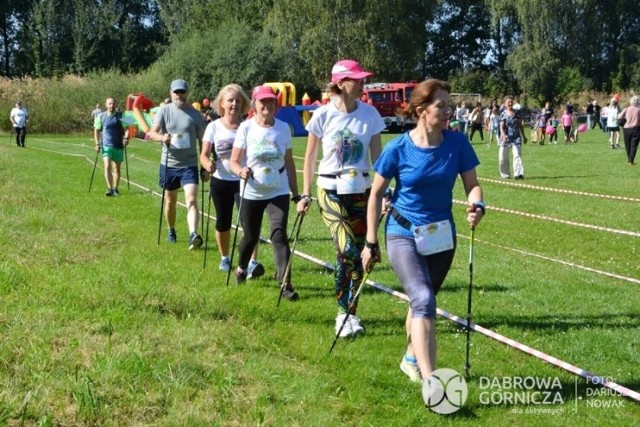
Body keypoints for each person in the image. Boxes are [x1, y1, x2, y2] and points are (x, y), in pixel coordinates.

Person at [361, 78, 484, 385]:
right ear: (421, 110)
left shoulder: (458, 144)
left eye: (449, 105)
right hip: (402, 232)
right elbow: (376, 194)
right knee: (424, 298)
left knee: (421, 302)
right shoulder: (398, 148)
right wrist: (370, 242)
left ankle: (410, 358)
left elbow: (473, 185)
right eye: (441, 105)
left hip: (441, 235)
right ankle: (433, 383)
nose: (448, 111)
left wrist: (477, 205)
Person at [296, 59, 385, 337]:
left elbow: (378, 159)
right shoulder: (322, 115)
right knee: (347, 251)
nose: (362, 84)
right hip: (329, 189)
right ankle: (342, 314)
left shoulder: (370, 114)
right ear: (341, 83)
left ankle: (349, 315)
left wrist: (382, 194)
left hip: (361, 190)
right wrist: (306, 192)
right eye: (357, 79)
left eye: (363, 79)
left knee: (357, 255)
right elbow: (310, 156)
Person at [229, 85, 300, 300]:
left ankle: (285, 283)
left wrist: (296, 195)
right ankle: (241, 268)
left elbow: (289, 162)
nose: (267, 105)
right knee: (250, 237)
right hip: (252, 189)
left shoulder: (283, 128)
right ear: (254, 104)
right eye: (263, 102)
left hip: (278, 189)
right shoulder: (246, 128)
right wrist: (240, 170)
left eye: (271, 102)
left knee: (279, 234)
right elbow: (233, 161)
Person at [200, 84, 264, 276]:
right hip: (220, 180)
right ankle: (225, 258)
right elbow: (203, 154)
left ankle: (251, 262)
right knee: (223, 222)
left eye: (238, 100)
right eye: (230, 100)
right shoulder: (213, 127)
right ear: (222, 103)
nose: (234, 104)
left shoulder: (248, 126)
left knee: (249, 223)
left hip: (244, 180)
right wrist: (207, 165)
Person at [149, 79, 206, 249]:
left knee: (191, 199)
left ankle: (193, 234)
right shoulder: (164, 111)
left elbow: (203, 140)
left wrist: (204, 163)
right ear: (171, 93)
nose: (179, 95)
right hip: (169, 164)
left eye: (182, 92)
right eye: (176, 92)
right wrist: (162, 137)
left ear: (187, 93)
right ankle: (171, 229)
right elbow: (152, 132)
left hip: (189, 164)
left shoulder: (196, 114)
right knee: (170, 201)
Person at [94, 97, 129, 196]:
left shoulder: (122, 115)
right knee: (107, 166)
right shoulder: (100, 116)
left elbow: (127, 128)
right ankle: (109, 189)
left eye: (113, 103)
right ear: (106, 105)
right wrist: (97, 143)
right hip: (106, 145)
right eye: (109, 104)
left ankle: (115, 188)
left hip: (118, 145)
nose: (111, 105)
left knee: (116, 168)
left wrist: (126, 138)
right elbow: (96, 130)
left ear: (116, 104)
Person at [499, 95, 527, 179]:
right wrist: (503, 135)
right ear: (504, 104)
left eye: (511, 102)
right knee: (502, 157)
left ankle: (518, 174)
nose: (510, 103)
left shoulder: (517, 113)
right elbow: (501, 126)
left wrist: (524, 136)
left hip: (516, 137)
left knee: (517, 155)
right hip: (506, 138)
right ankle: (505, 175)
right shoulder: (503, 114)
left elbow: (520, 125)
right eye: (508, 102)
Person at [617, 95, 640, 165]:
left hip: (626, 129)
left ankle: (629, 160)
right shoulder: (639, 109)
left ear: (631, 102)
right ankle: (631, 160)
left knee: (627, 145)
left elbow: (619, 116)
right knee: (634, 145)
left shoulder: (626, 109)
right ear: (637, 102)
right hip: (636, 128)